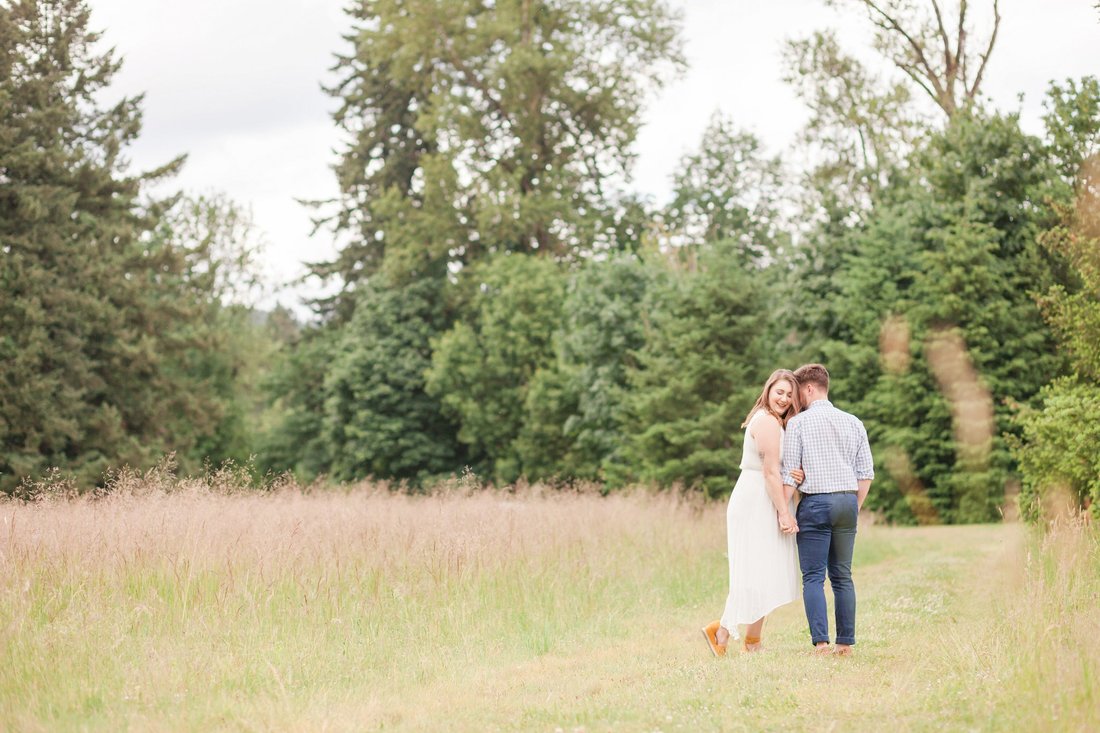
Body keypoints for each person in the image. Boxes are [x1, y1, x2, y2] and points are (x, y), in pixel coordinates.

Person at [702, 369, 803, 657]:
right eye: (779, 392)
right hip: (757, 499)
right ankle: (731, 635)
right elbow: (770, 472)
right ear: (769, 389)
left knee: (763, 571)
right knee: (755, 571)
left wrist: (795, 474)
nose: (784, 398)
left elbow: (779, 470)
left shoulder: (775, 421)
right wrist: (785, 513)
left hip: (764, 495)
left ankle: (736, 636)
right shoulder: (768, 422)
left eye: (789, 395)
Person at [781, 363, 874, 657]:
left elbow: (789, 473)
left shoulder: (798, 424)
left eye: (799, 393)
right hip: (847, 500)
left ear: (809, 388)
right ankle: (845, 644)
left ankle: (821, 643)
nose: (797, 400)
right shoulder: (853, 421)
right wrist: (853, 506)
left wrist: (783, 509)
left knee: (813, 577)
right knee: (842, 576)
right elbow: (866, 473)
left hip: (815, 503)